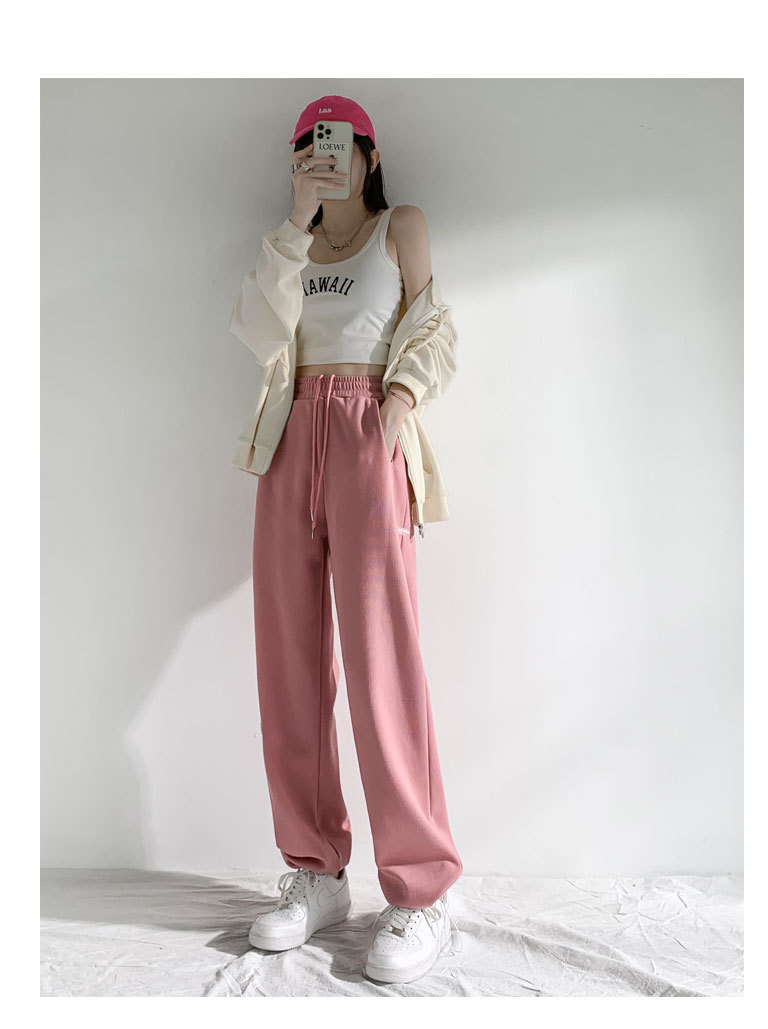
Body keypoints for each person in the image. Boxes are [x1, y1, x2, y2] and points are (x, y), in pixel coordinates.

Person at [228, 95, 463, 985]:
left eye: (335, 146)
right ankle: (316, 871)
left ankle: (420, 889)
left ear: (368, 155)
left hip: (369, 433)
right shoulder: (286, 244)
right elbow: (259, 331)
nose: (322, 159)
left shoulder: (401, 227)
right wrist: (294, 222)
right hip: (291, 440)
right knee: (288, 665)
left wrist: (396, 403)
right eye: (306, 150)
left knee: (382, 662)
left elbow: (434, 324)